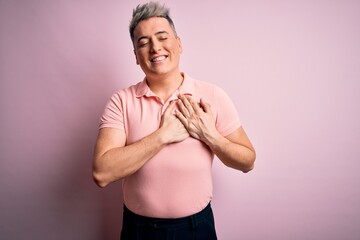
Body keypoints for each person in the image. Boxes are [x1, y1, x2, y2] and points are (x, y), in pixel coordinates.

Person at [92, 2, 256, 239]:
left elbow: (248, 161)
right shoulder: (121, 101)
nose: (155, 47)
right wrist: (162, 136)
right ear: (136, 56)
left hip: (197, 228)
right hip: (139, 230)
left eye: (162, 37)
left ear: (179, 44)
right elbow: (101, 173)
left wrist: (210, 136)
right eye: (143, 42)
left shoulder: (212, 96)